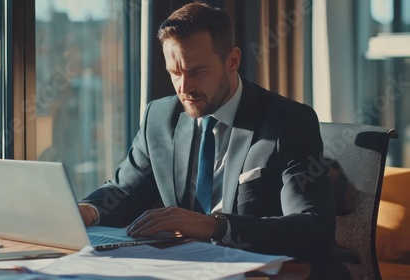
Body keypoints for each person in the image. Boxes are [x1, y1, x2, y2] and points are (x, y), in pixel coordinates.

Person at [79, 2, 340, 277]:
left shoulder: (287, 122)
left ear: (233, 61)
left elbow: (314, 227)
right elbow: (123, 191)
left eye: (197, 71)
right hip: (184, 268)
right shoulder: (159, 117)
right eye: (175, 73)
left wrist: (216, 226)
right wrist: (86, 211)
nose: (184, 87)